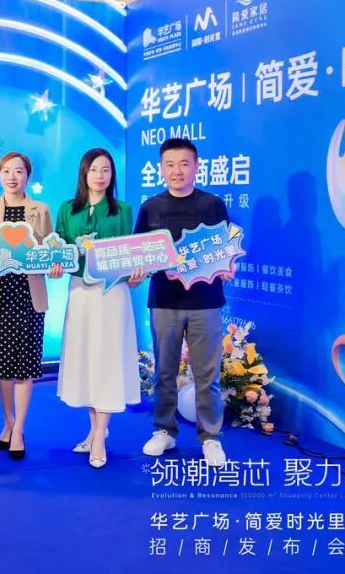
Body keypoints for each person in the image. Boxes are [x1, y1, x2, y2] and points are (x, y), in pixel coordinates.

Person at [131, 138, 234, 467]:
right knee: (164, 371)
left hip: (207, 302)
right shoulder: (151, 207)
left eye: (184, 164)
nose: (177, 171)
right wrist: (137, 271)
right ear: (161, 169)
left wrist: (228, 266)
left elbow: (226, 248)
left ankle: (210, 437)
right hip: (165, 302)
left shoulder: (213, 204)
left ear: (197, 166)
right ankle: (164, 430)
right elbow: (138, 254)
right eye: (170, 165)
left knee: (207, 375)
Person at [54, 148, 140, 468]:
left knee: (107, 359)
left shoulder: (123, 210)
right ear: (84, 173)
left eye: (106, 170)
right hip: (80, 292)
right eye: (94, 170)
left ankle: (100, 435)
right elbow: (59, 250)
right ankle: (93, 430)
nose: (100, 176)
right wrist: (56, 263)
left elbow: (130, 253)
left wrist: (135, 273)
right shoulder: (67, 209)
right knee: (87, 359)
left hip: (112, 293)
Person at [0, 151, 61, 460]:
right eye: (6, 171)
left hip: (28, 295)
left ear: (28, 176)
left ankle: (19, 430)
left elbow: (50, 249)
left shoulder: (41, 210)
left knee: (25, 367)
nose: (12, 177)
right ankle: (8, 422)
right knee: (2, 368)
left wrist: (54, 263)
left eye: (19, 171)